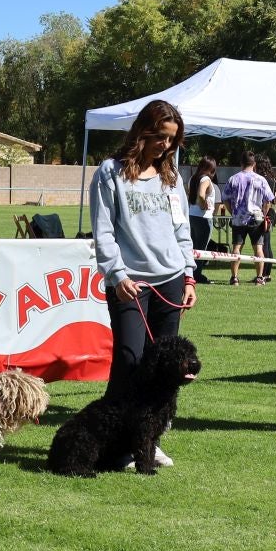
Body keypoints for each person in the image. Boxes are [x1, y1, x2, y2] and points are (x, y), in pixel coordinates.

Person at [90, 99, 197, 469]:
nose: (165, 146)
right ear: (143, 132)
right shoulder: (109, 173)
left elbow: (182, 230)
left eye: (172, 140)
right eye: (160, 137)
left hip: (170, 282)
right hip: (130, 285)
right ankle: (116, 446)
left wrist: (188, 275)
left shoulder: (172, 178)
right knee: (129, 361)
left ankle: (151, 441)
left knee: (165, 370)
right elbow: (103, 232)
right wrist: (116, 275)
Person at [225, 152, 272, 286]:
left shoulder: (233, 179)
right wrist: (263, 212)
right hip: (256, 218)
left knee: (236, 248)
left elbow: (226, 199)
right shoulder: (261, 180)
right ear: (254, 164)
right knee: (258, 249)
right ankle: (259, 278)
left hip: (238, 219)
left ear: (241, 163)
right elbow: (268, 200)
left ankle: (234, 278)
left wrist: (233, 212)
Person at [187, 156, 219, 283]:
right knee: (201, 249)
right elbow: (201, 194)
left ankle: (190, 272)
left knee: (193, 247)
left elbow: (188, 194)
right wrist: (203, 203)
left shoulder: (192, 178)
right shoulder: (205, 179)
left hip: (191, 216)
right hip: (203, 217)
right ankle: (197, 274)